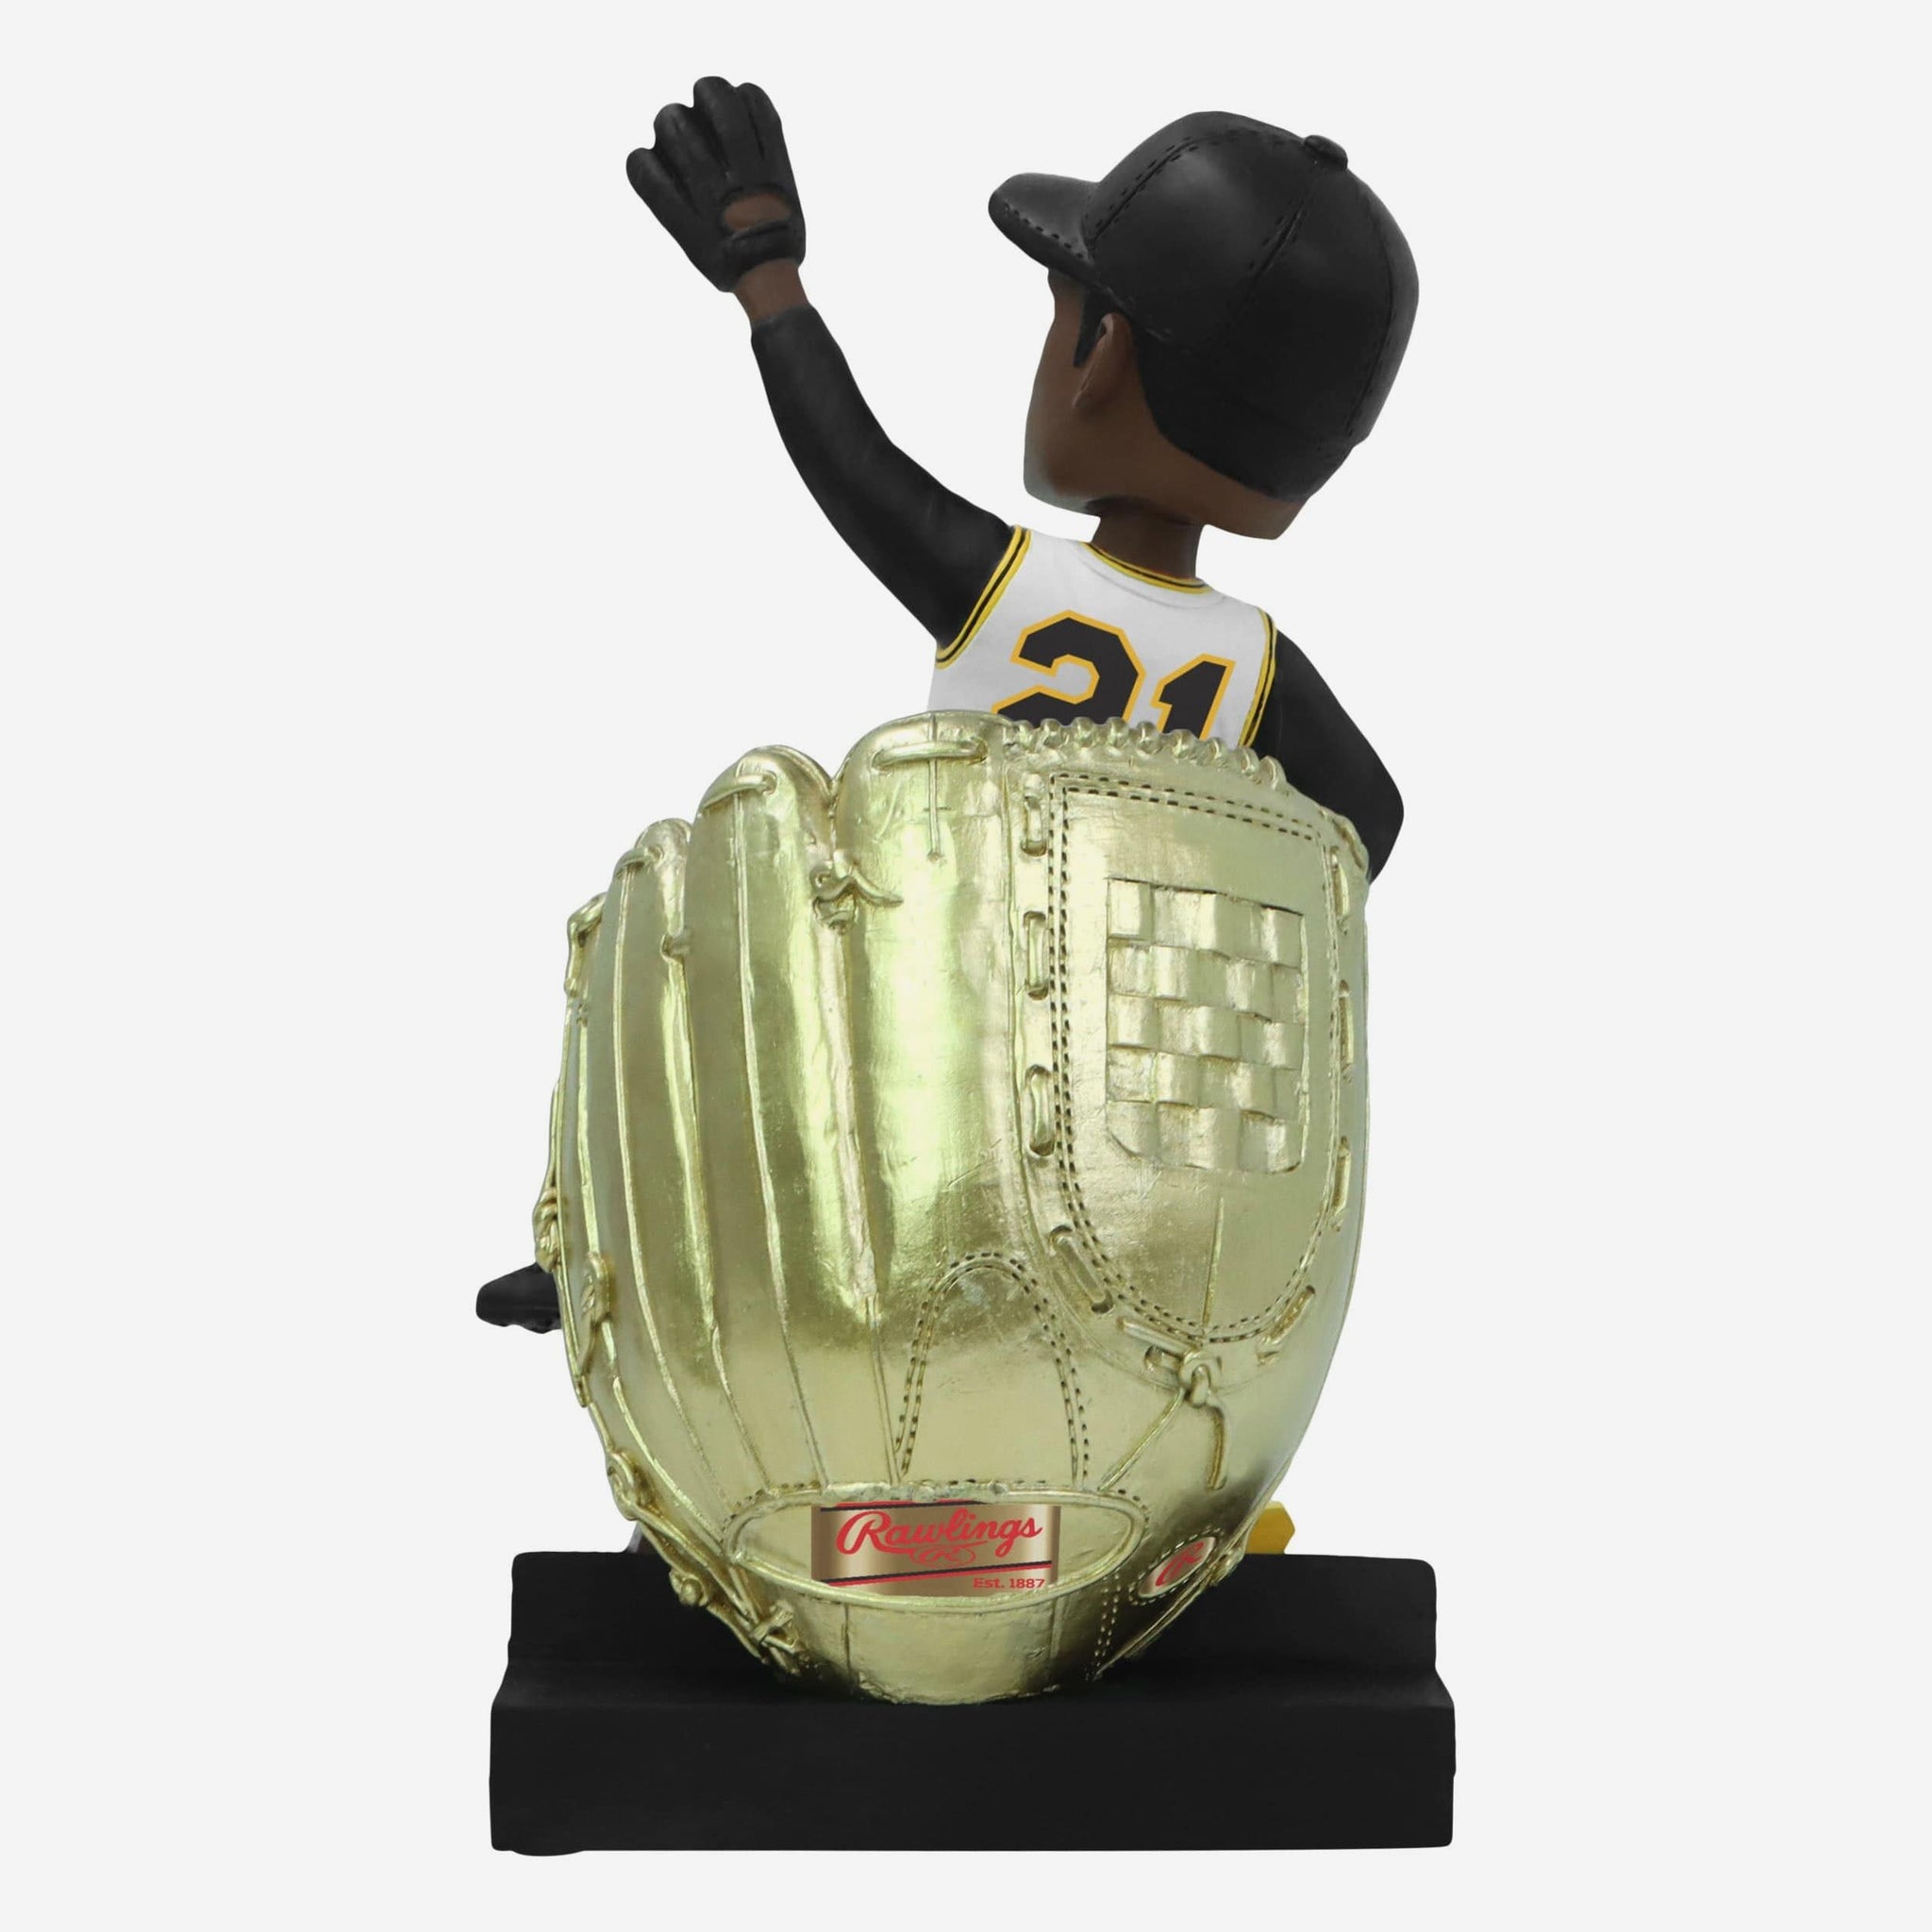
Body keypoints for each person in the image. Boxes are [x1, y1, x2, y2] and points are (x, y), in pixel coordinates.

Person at [626, 78, 1418, 875]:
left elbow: (852, 462)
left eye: (1062, 315)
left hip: (958, 941)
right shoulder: (1257, 663)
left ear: (1101, 358)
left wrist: (766, 279)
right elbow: (1371, 820)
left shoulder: (1009, 584)